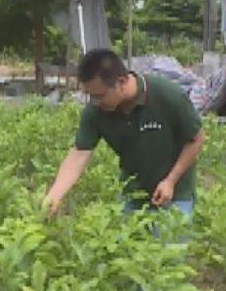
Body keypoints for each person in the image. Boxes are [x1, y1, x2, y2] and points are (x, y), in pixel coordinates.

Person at [44, 49, 207, 220]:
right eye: (90, 96)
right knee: (126, 245)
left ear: (121, 82)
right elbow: (79, 154)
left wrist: (170, 181)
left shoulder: (167, 95)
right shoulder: (96, 111)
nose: (95, 102)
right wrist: (54, 197)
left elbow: (196, 138)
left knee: (171, 244)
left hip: (175, 195)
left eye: (99, 96)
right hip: (133, 196)